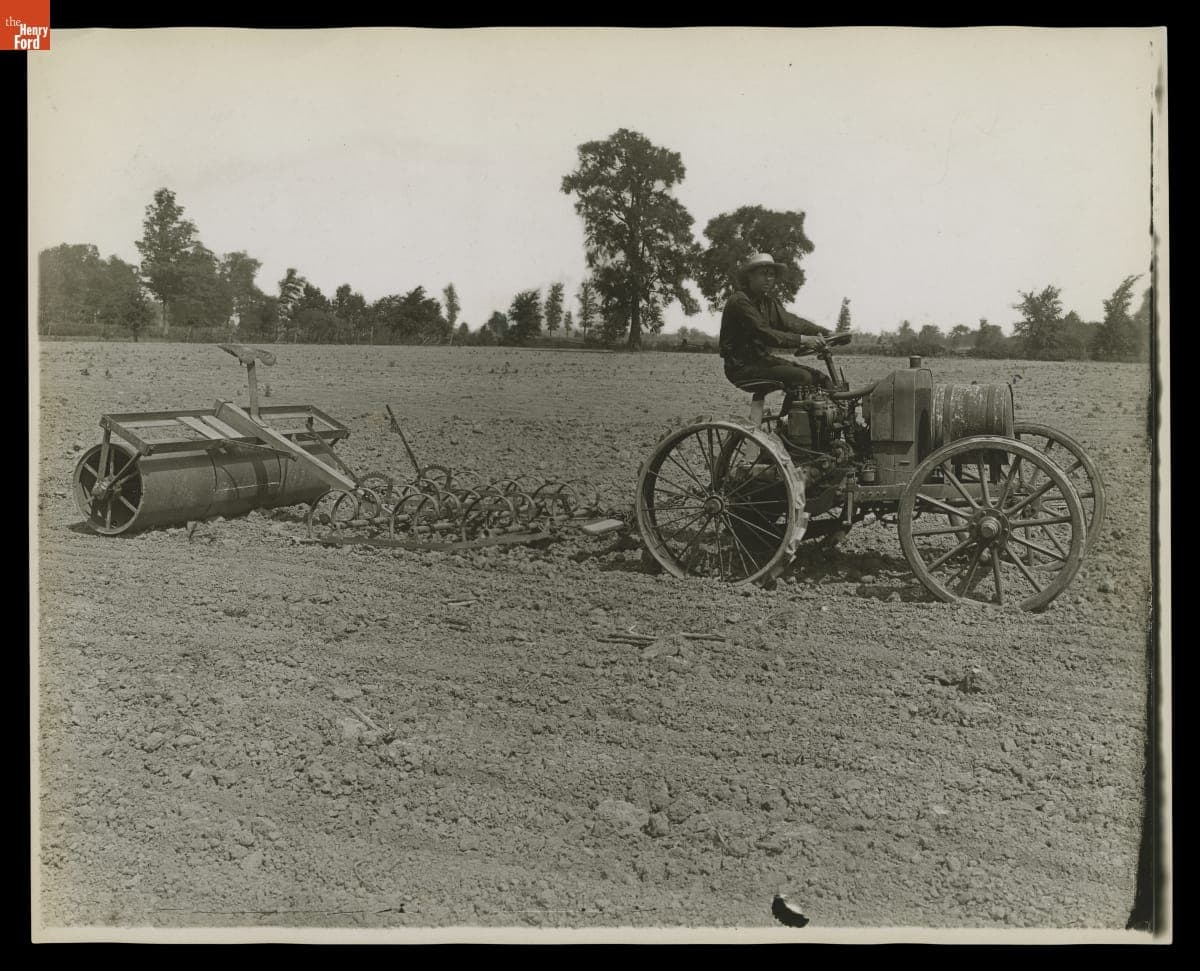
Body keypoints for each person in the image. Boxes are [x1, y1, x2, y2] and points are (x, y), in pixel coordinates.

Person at [719, 252, 833, 392]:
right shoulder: (740, 301)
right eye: (763, 274)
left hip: (762, 362)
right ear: (750, 276)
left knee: (821, 378)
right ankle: (795, 413)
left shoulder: (768, 303)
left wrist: (826, 333)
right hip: (741, 368)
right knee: (803, 377)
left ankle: (822, 413)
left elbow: (792, 322)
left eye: (771, 275)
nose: (768, 279)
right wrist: (803, 340)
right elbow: (765, 333)